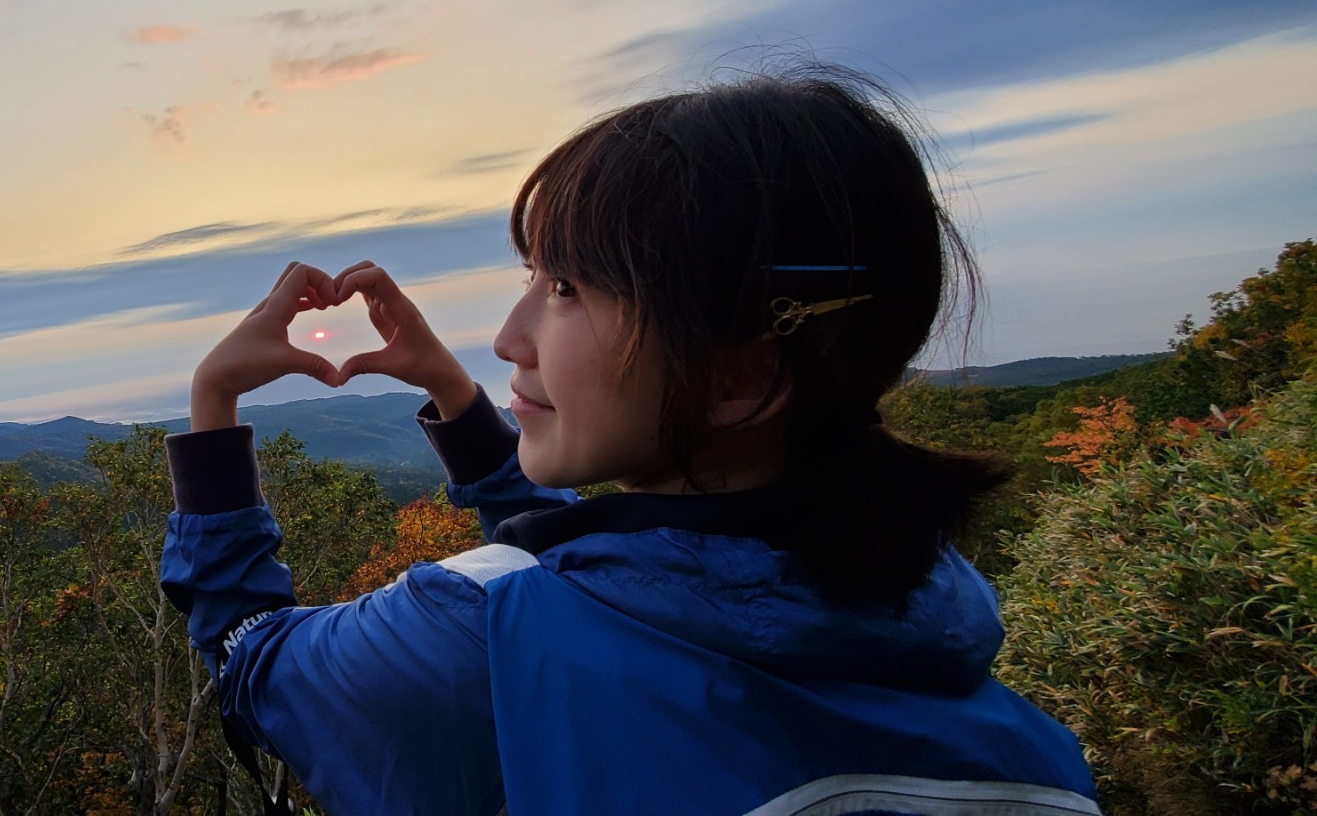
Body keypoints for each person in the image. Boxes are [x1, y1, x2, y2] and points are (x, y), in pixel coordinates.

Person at [157, 60, 1102, 815]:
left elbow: (257, 661)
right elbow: (641, 575)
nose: (507, 336)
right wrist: (454, 393)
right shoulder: (937, 622)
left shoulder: (472, 642)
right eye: (534, 274)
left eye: (566, 288)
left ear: (740, 375)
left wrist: (212, 408)